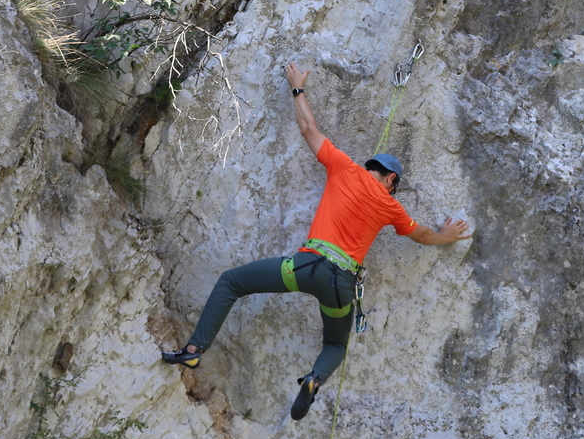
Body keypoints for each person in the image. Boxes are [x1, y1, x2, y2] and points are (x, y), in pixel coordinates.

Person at [161, 60, 472, 420]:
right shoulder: (391, 207)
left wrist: (298, 87)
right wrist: (446, 236)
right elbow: (421, 235)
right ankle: (313, 379)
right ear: (391, 181)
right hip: (340, 284)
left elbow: (308, 127)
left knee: (232, 282)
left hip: (305, 267)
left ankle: (195, 349)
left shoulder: (344, 167)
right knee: (337, 343)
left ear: (371, 169)